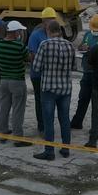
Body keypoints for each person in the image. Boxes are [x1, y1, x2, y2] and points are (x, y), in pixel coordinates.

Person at [31, 20, 77, 161]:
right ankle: (65, 149)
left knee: (48, 120)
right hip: (65, 88)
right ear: (60, 31)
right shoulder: (70, 46)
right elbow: (74, 66)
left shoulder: (44, 45)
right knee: (64, 119)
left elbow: (36, 67)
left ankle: (49, 151)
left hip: (49, 88)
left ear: (48, 31)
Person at [0, 21, 31, 147]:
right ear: (15, 32)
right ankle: (18, 137)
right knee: (18, 109)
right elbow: (28, 58)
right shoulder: (19, 46)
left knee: (3, 108)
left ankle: (3, 133)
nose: (21, 33)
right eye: (20, 31)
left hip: (4, 81)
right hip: (17, 81)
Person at [71, 14, 98, 130]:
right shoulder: (88, 34)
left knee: (97, 102)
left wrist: (90, 50)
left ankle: (97, 126)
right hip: (87, 72)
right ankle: (77, 122)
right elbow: (80, 47)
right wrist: (82, 48)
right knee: (83, 98)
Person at [28, 8, 58, 134]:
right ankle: (42, 126)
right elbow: (32, 56)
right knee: (40, 100)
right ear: (43, 21)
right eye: (49, 19)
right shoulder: (36, 35)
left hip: (51, 75)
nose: (51, 21)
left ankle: (49, 124)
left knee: (50, 101)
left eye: (53, 19)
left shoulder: (55, 33)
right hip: (38, 75)